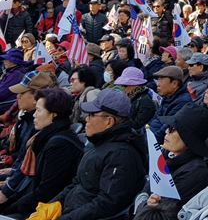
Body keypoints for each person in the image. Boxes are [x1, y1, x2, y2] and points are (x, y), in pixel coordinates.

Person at [50, 89, 147, 220]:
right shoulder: (99, 144)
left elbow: (107, 204)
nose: (86, 119)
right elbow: (77, 183)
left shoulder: (121, 155)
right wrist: (51, 206)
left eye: (91, 115)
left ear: (109, 121)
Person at [1, 88, 84, 218]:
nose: (34, 114)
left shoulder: (59, 145)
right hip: (31, 202)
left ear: (53, 114)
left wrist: (9, 208)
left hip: (41, 210)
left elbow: (47, 191)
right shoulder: (44, 136)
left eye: (39, 110)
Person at [138, 103, 208, 214]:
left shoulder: (194, 172)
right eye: (168, 127)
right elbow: (149, 186)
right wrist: (144, 200)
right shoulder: (166, 154)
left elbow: (163, 211)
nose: (166, 131)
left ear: (188, 138)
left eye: (173, 129)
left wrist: (143, 204)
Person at [0, 72, 57, 207]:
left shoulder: (38, 126)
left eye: (22, 92)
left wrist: (7, 188)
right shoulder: (26, 118)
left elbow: (27, 169)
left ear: (36, 97)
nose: (17, 96)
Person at [149, 66, 192, 144]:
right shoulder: (168, 96)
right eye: (158, 80)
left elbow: (166, 129)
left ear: (174, 83)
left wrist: (149, 141)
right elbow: (156, 119)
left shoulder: (183, 102)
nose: (157, 85)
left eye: (161, 80)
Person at [114, 67, 157, 131]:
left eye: (125, 86)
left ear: (136, 85)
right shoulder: (132, 97)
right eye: (122, 86)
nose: (123, 89)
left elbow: (137, 126)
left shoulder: (145, 101)